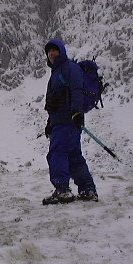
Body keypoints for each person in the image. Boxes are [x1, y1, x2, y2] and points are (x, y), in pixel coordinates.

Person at [42, 39, 99, 204]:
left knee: (57, 153)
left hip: (67, 121)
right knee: (74, 157)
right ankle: (87, 189)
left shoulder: (69, 68)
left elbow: (76, 90)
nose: (51, 54)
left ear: (61, 51)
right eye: (49, 52)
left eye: (54, 50)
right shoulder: (57, 72)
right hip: (62, 121)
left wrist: (76, 112)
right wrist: (50, 123)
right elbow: (55, 102)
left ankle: (62, 190)